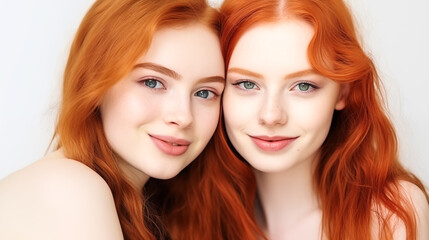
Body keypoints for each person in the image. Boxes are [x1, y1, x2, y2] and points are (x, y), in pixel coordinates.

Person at [0, 0, 264, 239]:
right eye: (152, 82)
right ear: (95, 82)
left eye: (205, 93)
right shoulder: (69, 187)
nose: (183, 116)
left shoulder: (151, 208)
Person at [216, 0, 429, 239]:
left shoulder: (390, 216)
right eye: (246, 84)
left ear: (343, 92)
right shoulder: (186, 213)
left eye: (304, 86)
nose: (271, 115)